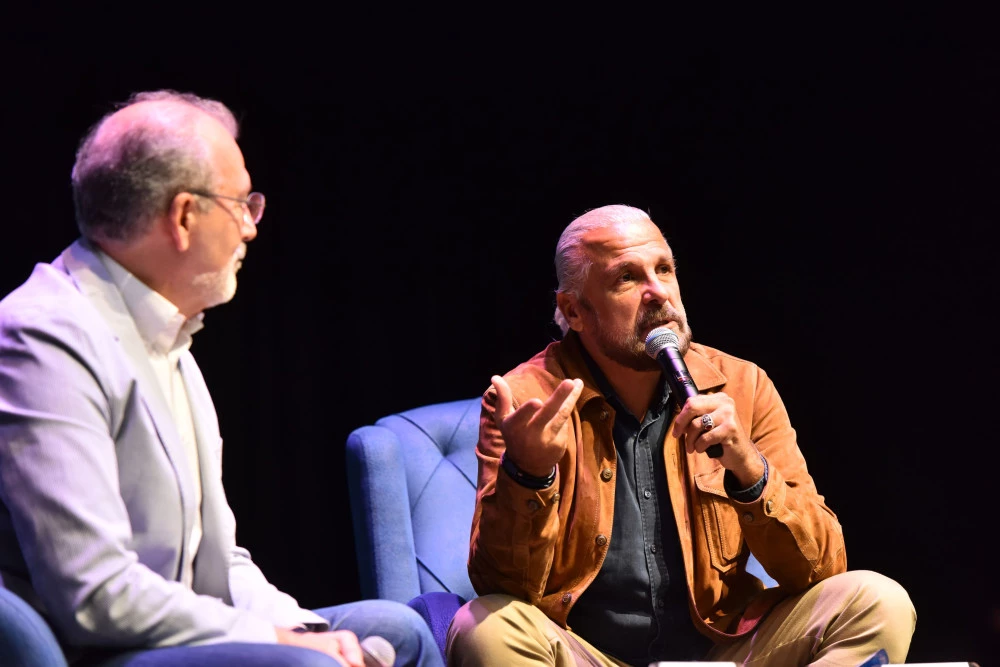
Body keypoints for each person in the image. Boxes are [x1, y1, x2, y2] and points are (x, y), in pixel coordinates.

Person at [0, 90, 441, 667]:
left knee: (398, 630)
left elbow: (220, 559)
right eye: (241, 204)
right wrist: (283, 644)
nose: (250, 228)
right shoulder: (43, 338)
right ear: (184, 216)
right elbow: (95, 593)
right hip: (93, 649)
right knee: (307, 665)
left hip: (177, 628)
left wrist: (303, 629)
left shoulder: (167, 333)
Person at [446, 204, 916, 666]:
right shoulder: (525, 400)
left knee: (878, 600)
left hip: (724, 654)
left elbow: (821, 568)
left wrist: (750, 470)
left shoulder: (744, 385)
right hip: (585, 655)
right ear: (575, 310)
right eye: (626, 278)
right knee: (484, 627)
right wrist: (528, 475)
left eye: (664, 270)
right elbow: (501, 585)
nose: (657, 293)